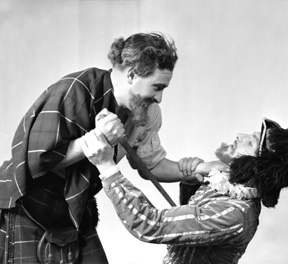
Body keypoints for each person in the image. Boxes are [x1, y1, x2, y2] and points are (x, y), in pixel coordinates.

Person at [0, 32, 206, 264]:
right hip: (26, 207)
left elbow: (153, 165)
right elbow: (37, 161)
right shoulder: (74, 89)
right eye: (157, 87)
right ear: (131, 74)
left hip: (74, 211)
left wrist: (199, 169)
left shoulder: (145, 112)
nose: (159, 98)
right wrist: (99, 138)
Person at [80, 117, 288, 264]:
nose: (240, 136)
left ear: (260, 169)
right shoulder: (227, 185)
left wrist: (107, 167)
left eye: (251, 143)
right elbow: (189, 216)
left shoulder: (234, 214)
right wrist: (192, 173)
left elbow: (151, 225)